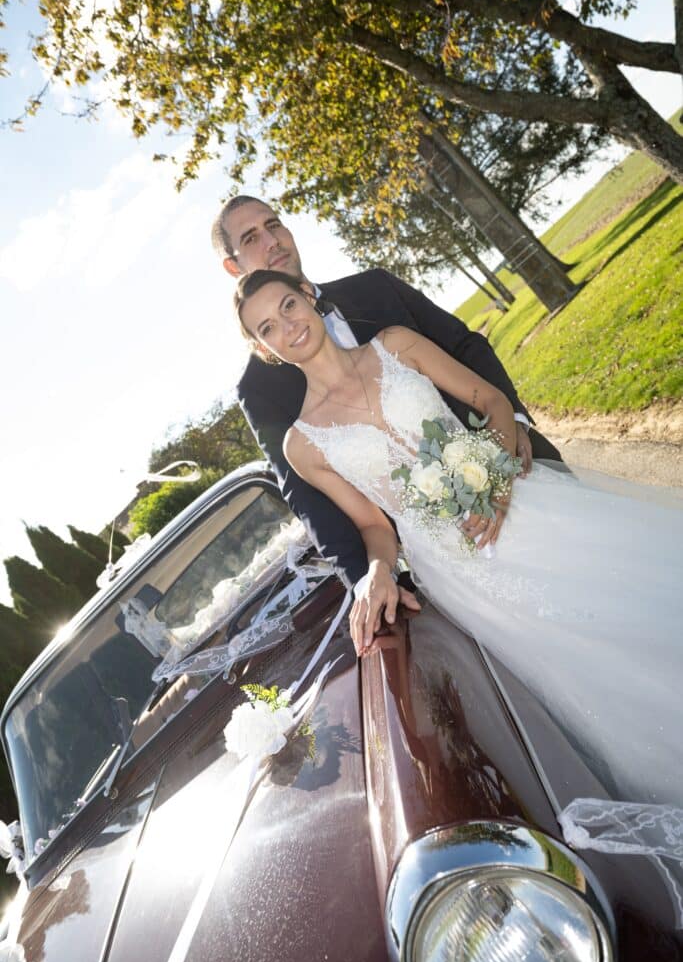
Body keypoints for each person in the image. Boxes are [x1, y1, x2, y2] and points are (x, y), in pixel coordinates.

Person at [234, 269, 683, 805]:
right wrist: (375, 573)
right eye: (267, 326)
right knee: (581, 667)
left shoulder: (395, 345)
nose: (286, 325)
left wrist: (491, 478)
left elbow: (489, 400)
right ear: (264, 349)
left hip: (519, 506)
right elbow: (375, 526)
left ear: (309, 296)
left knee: (627, 597)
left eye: (288, 305)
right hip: (460, 569)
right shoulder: (301, 445)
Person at [212, 194, 562, 600]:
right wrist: (370, 579)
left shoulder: (376, 288)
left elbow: (465, 347)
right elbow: (310, 499)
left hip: (519, 472)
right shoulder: (259, 391)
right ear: (233, 266)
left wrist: (513, 428)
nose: (271, 241)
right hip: (451, 560)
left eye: (273, 224)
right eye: (251, 237)